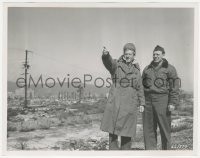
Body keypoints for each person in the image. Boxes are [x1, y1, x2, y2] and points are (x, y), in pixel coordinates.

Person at [100, 43, 145, 150]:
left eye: (130, 54)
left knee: (127, 133)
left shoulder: (136, 70)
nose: (128, 56)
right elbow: (108, 63)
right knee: (113, 132)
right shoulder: (116, 64)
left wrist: (142, 102)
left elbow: (140, 87)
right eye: (126, 53)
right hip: (116, 102)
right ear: (123, 54)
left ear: (134, 55)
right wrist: (106, 55)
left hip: (130, 104)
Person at [142, 45, 180, 150]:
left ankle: (166, 152)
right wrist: (141, 102)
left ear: (163, 55)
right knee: (148, 128)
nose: (155, 56)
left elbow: (174, 87)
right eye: (154, 54)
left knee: (164, 127)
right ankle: (150, 152)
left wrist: (172, 102)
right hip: (148, 100)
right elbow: (141, 86)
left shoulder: (170, 69)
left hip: (162, 99)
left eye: (158, 54)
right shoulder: (147, 69)